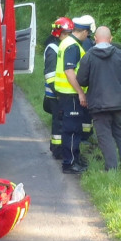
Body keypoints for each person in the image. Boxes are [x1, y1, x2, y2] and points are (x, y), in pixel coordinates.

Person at [77, 26, 121, 171]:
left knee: (105, 136)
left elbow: (81, 80)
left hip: (98, 103)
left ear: (95, 39)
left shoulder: (88, 56)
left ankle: (111, 169)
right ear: (111, 39)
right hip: (118, 103)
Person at [54, 17, 93, 174]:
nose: (87, 36)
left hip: (66, 94)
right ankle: (69, 164)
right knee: (71, 130)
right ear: (84, 32)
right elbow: (69, 71)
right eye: (87, 33)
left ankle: (74, 159)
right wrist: (80, 92)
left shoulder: (67, 42)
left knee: (73, 128)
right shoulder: (73, 46)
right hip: (71, 95)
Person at [43, 16, 73, 159]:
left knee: (62, 122)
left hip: (61, 93)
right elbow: (50, 75)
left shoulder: (61, 47)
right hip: (55, 95)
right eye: (66, 34)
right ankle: (57, 150)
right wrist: (58, 93)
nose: (68, 36)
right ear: (58, 33)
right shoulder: (53, 49)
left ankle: (59, 149)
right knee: (58, 123)